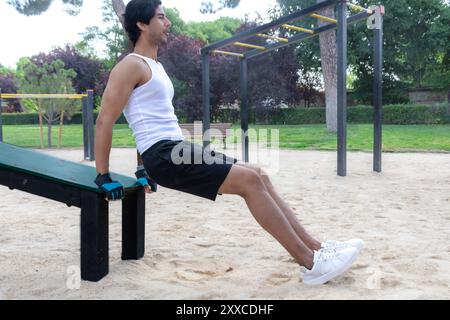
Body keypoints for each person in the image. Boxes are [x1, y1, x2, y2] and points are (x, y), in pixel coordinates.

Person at [94, 0, 363, 286]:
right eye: (161, 17)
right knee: (249, 182)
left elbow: (145, 118)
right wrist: (103, 175)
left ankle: (316, 247)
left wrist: (141, 169)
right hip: (165, 154)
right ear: (142, 24)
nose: (168, 23)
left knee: (258, 173)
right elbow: (105, 120)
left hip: (172, 149)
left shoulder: (153, 66)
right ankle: (310, 264)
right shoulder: (129, 66)